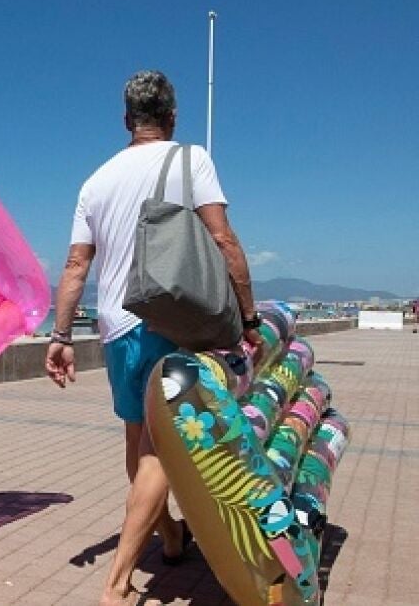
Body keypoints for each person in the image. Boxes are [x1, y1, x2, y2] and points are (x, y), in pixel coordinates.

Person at [44, 71, 264, 605]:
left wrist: (61, 334)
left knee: (138, 440)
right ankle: (118, 584)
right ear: (172, 116)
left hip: (117, 329)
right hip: (174, 322)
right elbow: (224, 240)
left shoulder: (95, 182)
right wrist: (250, 317)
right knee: (159, 451)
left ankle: (169, 536)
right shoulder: (191, 160)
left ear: (126, 119)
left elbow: (76, 265)